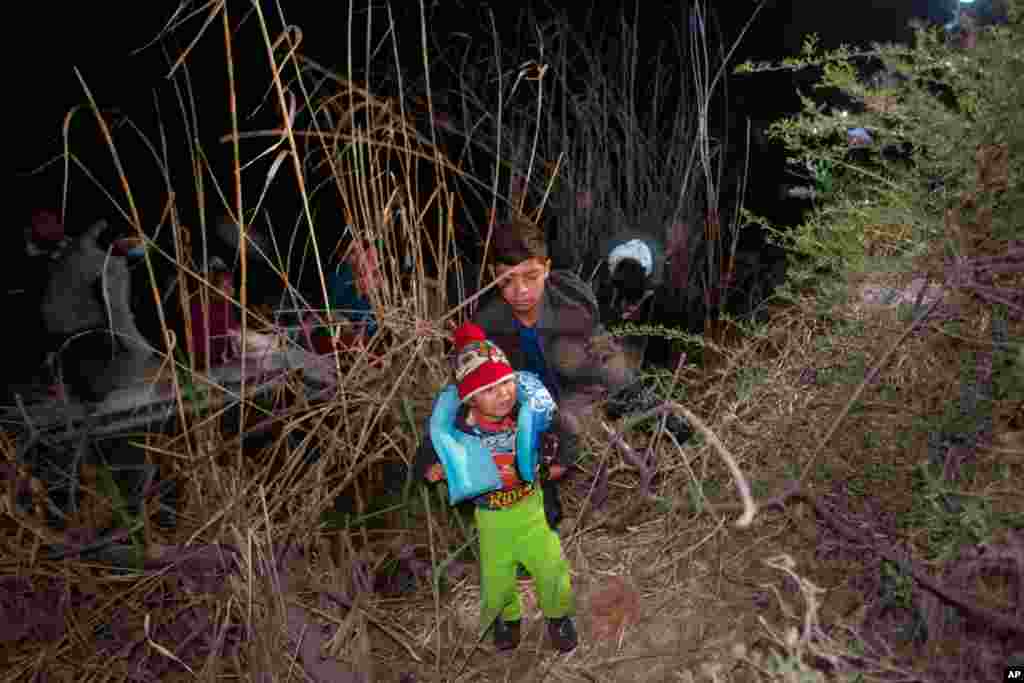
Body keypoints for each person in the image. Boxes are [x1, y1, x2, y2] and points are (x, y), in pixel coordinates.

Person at [468, 217, 692, 530]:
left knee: (585, 365)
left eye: (531, 277)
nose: (521, 291)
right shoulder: (489, 323)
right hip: (531, 407)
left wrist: (628, 387)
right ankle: (545, 514)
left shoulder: (570, 299)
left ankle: (660, 421)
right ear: (493, 277)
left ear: (546, 268)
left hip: (577, 393)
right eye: (506, 281)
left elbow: (603, 352)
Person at [414, 322, 578, 653]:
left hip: (531, 508)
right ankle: (508, 619)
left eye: (506, 382)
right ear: (470, 399)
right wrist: (429, 469)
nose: (503, 393)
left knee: (551, 567)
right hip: (491, 517)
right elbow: (426, 455)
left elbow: (565, 431)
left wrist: (562, 458)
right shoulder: (457, 430)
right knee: (496, 576)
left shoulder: (528, 413)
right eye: (490, 389)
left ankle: (558, 617)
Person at [189, 266, 239, 370]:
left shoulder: (226, 302)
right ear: (212, 288)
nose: (231, 290)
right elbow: (198, 339)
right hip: (204, 360)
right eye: (225, 287)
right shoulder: (198, 304)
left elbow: (232, 326)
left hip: (222, 356)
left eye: (231, 286)